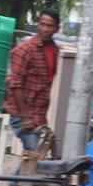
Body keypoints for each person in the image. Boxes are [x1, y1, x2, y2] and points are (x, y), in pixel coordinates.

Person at [4, 9, 61, 152]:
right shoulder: (25, 49)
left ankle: (15, 175)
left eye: (50, 26)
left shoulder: (54, 51)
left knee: (35, 157)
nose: (45, 29)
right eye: (42, 24)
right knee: (34, 155)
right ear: (38, 25)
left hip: (39, 114)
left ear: (57, 28)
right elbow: (15, 84)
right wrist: (25, 117)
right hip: (22, 114)